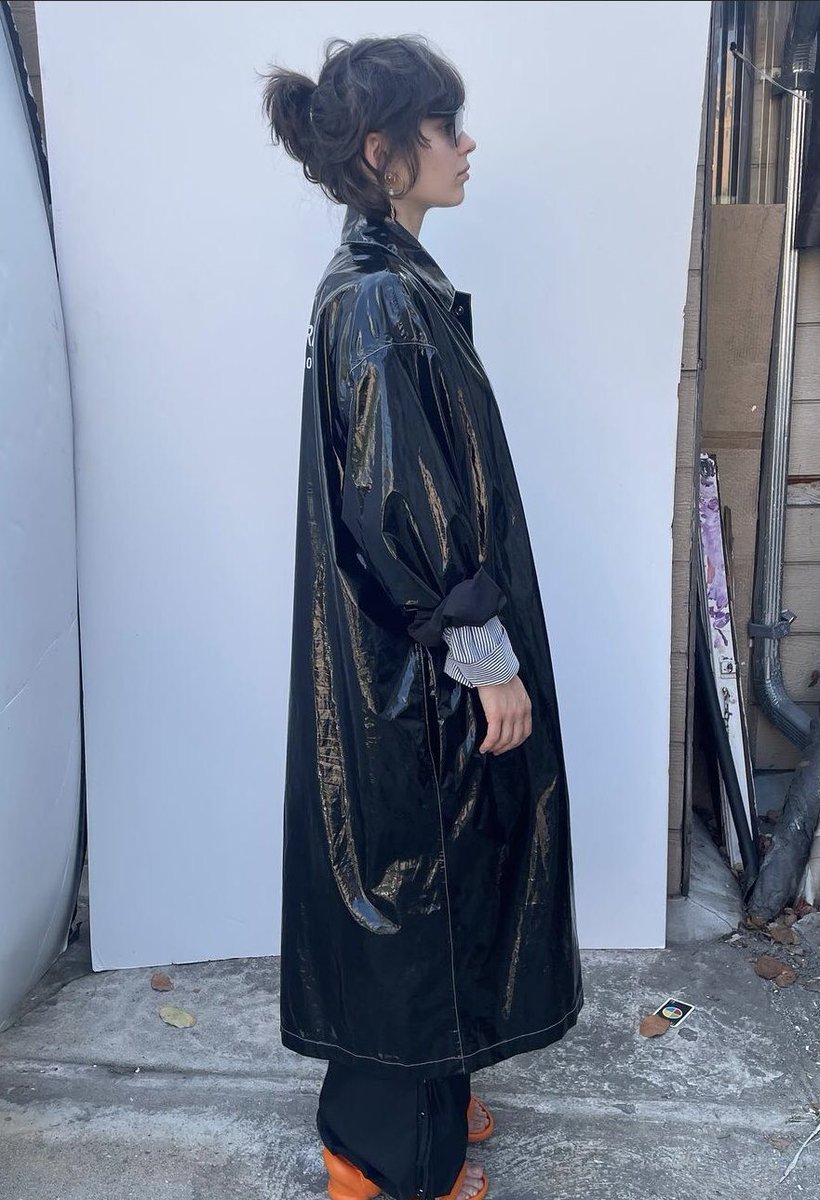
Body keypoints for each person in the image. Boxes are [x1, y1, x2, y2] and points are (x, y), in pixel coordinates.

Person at [262, 34, 584, 1200]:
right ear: (382, 151)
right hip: (415, 663)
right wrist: (485, 656)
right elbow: (403, 505)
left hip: (409, 655)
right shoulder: (380, 300)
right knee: (408, 884)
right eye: (445, 128)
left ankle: (430, 1085)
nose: (466, 144)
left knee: (432, 876)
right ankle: (383, 1156)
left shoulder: (390, 282)